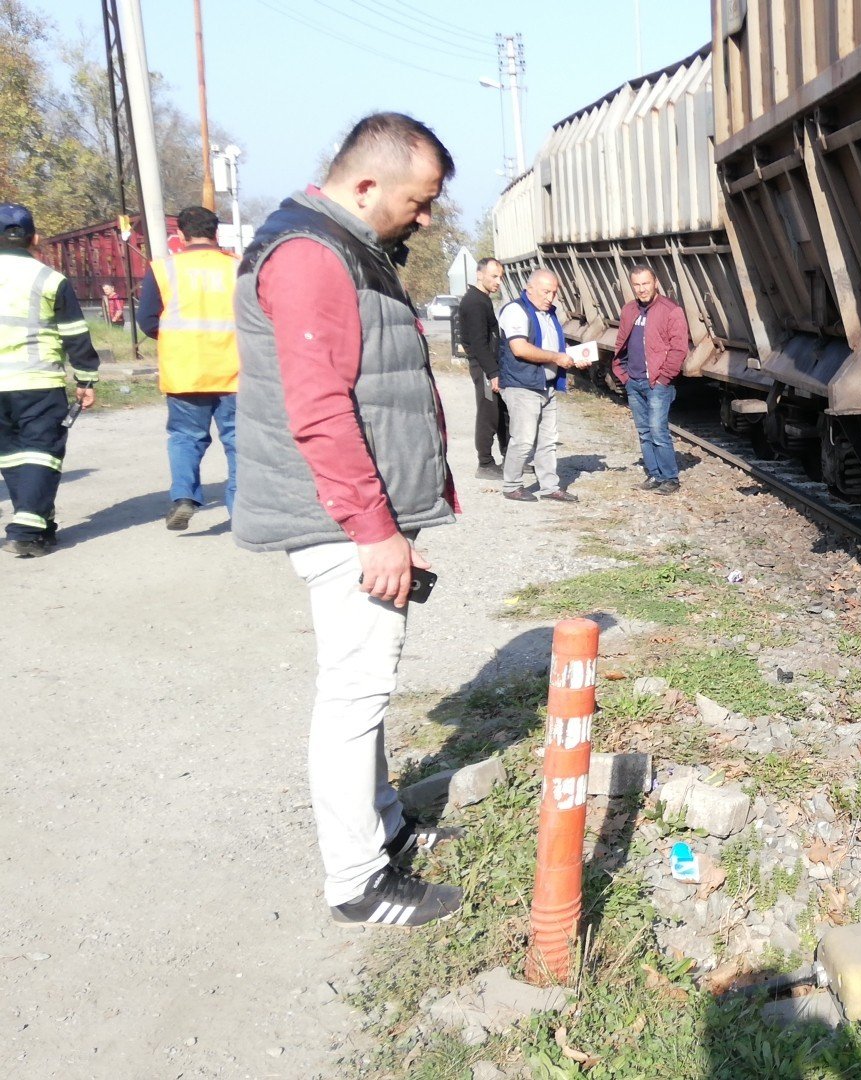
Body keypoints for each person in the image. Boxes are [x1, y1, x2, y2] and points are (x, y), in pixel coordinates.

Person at [232, 113, 464, 928]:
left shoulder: (338, 245)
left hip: (353, 517)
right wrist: (373, 527)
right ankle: (359, 881)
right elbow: (321, 407)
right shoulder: (310, 255)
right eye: (420, 198)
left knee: (366, 686)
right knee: (355, 695)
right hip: (343, 523)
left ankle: (385, 827)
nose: (426, 216)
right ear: (367, 185)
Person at [0, 204, 99, 558]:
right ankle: (25, 531)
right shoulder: (49, 280)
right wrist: (87, 379)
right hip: (37, 380)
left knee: (12, 457)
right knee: (42, 454)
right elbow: (73, 333)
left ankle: (41, 523)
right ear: (35, 238)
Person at [136, 205, 240, 531]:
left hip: (184, 370)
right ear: (216, 233)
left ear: (180, 235)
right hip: (234, 370)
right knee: (239, 441)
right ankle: (241, 511)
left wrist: (174, 340)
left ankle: (184, 497)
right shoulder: (239, 268)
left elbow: (147, 320)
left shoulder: (163, 269)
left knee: (185, 437)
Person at [496, 267, 584, 503]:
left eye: (553, 293)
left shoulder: (549, 313)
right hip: (523, 385)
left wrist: (572, 359)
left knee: (548, 441)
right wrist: (556, 358)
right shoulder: (516, 311)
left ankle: (549, 487)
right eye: (545, 292)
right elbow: (520, 348)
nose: (550, 297)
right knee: (523, 440)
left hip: (547, 386)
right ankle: (512, 484)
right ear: (530, 288)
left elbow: (554, 347)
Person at [612, 266, 688, 494]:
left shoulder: (671, 310)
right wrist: (622, 374)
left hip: (656, 383)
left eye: (645, 283)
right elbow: (621, 343)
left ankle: (670, 479)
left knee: (658, 431)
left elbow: (679, 348)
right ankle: (655, 475)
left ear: (655, 283)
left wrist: (664, 378)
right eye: (637, 285)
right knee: (644, 432)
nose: (642, 289)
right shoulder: (629, 310)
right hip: (633, 381)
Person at [456, 257, 508, 480]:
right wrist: (492, 372)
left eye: (500, 277)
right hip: (484, 367)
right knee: (489, 411)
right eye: (494, 276)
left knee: (503, 411)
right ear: (479, 274)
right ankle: (485, 463)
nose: (498, 282)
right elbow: (478, 342)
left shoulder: (482, 299)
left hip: (492, 364)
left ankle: (511, 457)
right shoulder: (474, 302)